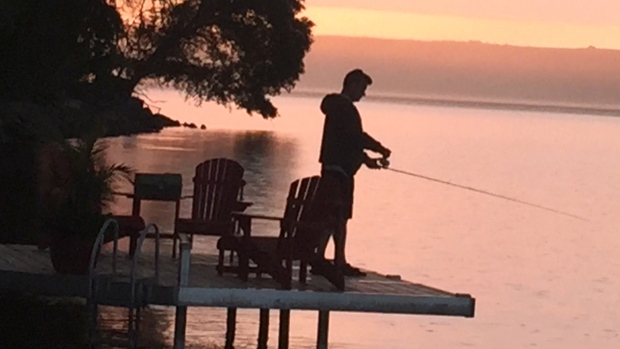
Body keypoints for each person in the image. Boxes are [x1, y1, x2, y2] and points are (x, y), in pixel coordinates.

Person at [313, 68, 391, 276]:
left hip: (333, 168)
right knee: (338, 217)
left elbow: (348, 141)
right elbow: (356, 138)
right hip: (340, 172)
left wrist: (366, 160)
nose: (363, 94)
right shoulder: (345, 109)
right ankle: (334, 261)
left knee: (334, 217)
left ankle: (325, 258)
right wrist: (380, 149)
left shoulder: (336, 107)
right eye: (363, 88)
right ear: (353, 84)